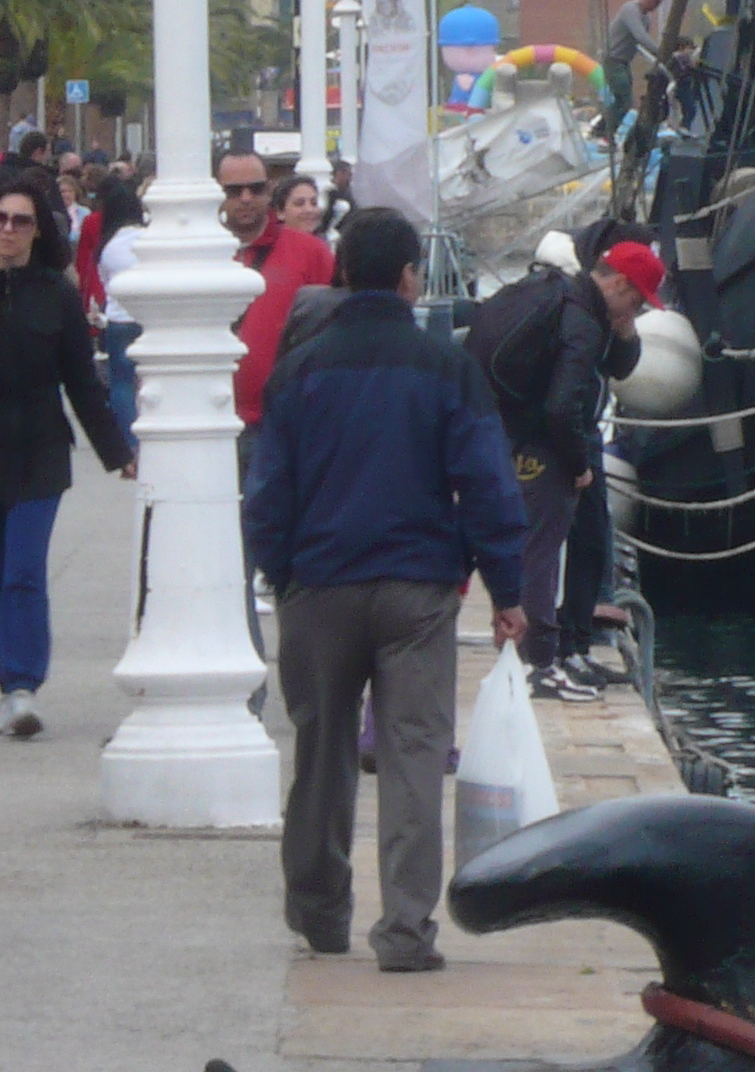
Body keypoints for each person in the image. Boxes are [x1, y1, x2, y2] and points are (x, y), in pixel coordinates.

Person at [246, 201, 528, 971]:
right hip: (417, 588)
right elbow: (488, 485)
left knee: (321, 754)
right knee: (412, 757)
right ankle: (404, 930)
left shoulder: (298, 369)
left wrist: (282, 573)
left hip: (319, 585)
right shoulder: (446, 367)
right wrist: (506, 588)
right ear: (410, 278)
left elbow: (267, 492)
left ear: (341, 273)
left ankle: (320, 913)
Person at [0, 161, 135, 737]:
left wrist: (118, 450)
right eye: (0, 218)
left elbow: (82, 382)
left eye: (22, 220)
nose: (9, 230)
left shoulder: (57, 296)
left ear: (39, 229)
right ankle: (3, 683)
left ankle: (22, 687)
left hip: (40, 452)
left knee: (22, 573)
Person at [465, 236, 654, 700]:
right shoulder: (583, 321)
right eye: (637, 301)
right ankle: (541, 662)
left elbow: (617, 368)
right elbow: (562, 405)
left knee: (567, 542)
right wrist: (578, 464)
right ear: (619, 284)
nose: (638, 310)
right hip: (549, 445)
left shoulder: (577, 304)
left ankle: (557, 650)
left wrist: (625, 329)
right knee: (543, 550)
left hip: (523, 432)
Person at [222, 152, 337, 434]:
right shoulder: (197, 254)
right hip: (214, 413)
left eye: (256, 188)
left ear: (269, 190)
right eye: (234, 191)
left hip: (290, 418)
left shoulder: (311, 252)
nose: (246, 198)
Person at [92, 171, 148, 455]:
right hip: (148, 318)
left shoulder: (108, 247)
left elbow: (105, 283)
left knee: (121, 383)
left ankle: (129, 440)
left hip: (119, 318)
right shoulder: (150, 240)